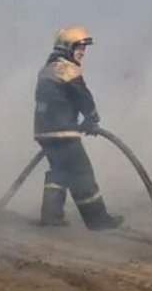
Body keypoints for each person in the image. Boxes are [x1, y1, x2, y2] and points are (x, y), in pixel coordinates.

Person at [33, 26, 123, 230]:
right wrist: (92, 118)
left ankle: (51, 216)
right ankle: (98, 221)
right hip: (63, 131)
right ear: (67, 47)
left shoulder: (47, 69)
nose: (82, 52)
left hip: (44, 132)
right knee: (83, 174)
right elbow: (83, 97)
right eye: (79, 47)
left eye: (84, 48)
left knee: (59, 171)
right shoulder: (66, 68)